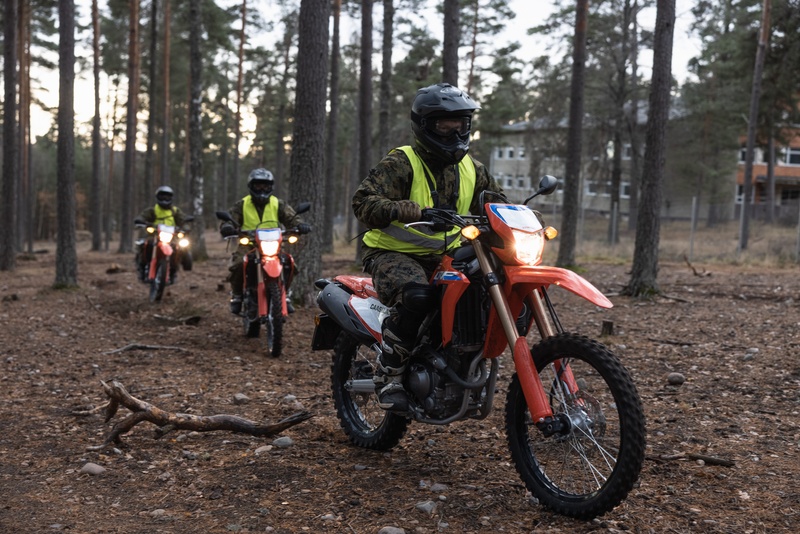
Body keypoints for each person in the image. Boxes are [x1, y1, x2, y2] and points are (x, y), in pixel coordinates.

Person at [352, 82, 506, 411]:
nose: (454, 132)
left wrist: (519, 219)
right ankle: (390, 374)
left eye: (461, 124)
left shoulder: (474, 170)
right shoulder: (402, 162)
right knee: (418, 296)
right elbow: (363, 202)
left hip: (450, 256)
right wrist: (401, 208)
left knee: (489, 288)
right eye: (444, 125)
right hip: (393, 253)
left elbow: (498, 204)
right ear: (424, 126)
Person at [219, 168, 311, 315]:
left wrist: (299, 225)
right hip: (249, 244)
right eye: (258, 185)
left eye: (265, 186)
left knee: (290, 264)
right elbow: (230, 219)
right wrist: (227, 226)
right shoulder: (242, 204)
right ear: (251, 186)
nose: (262, 189)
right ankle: (236, 296)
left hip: (273, 244)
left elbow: (291, 217)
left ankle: (285, 294)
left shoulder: (277, 203)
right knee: (237, 264)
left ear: (271, 187)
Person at [136, 185, 187, 284]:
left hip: (172, 236)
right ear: (158, 197)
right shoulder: (153, 210)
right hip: (155, 235)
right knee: (146, 244)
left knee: (179, 248)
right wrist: (141, 221)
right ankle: (142, 268)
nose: (165, 199)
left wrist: (185, 227)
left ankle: (173, 271)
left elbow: (183, 220)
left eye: (167, 197)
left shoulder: (175, 211)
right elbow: (142, 217)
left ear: (171, 198)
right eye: (162, 196)